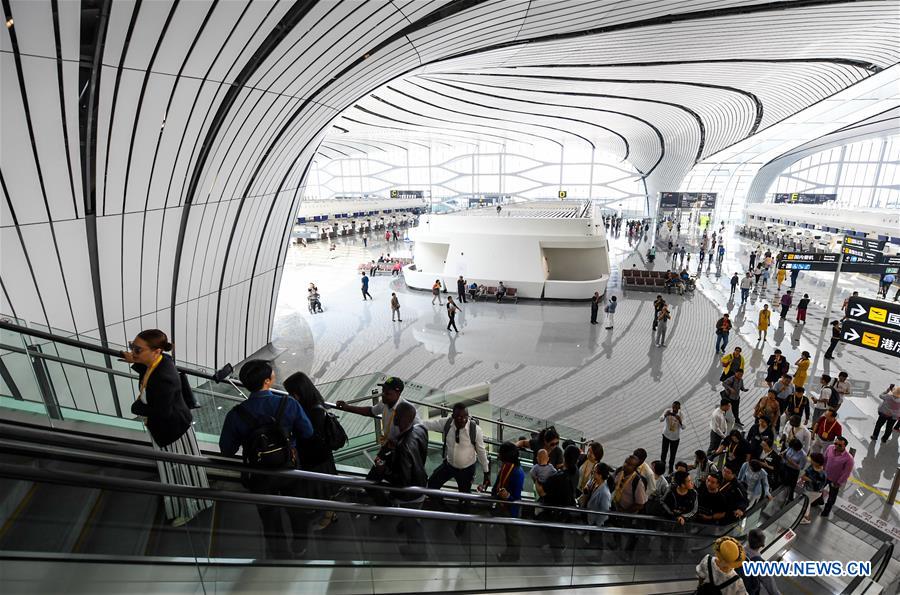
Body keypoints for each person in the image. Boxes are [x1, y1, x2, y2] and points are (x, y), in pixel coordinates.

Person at [219, 360, 314, 558]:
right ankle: (300, 545)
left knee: (269, 515)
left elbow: (227, 450)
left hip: (259, 473)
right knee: (297, 509)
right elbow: (307, 432)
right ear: (267, 381)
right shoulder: (288, 403)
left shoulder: (236, 414)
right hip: (290, 467)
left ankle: (278, 554)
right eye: (272, 374)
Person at [123, 329, 209, 527]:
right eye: (131, 346)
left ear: (156, 351)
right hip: (175, 426)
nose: (133, 352)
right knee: (186, 468)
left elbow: (160, 411)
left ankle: (189, 508)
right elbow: (149, 370)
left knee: (178, 471)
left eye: (137, 349)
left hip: (172, 431)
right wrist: (135, 360)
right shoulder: (163, 360)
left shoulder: (164, 378)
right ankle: (199, 500)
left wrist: (136, 408)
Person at [368, 401, 428, 558]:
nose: (394, 419)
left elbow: (401, 482)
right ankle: (406, 525)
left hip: (410, 495)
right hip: (421, 482)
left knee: (413, 524)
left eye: (397, 416)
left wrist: (384, 469)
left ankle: (418, 552)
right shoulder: (421, 430)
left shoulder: (403, 447)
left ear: (404, 419)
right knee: (413, 518)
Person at [283, 371, 342, 531]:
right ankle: (327, 512)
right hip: (321, 457)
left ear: (298, 393)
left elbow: (308, 437)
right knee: (323, 487)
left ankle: (329, 515)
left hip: (316, 459)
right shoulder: (315, 403)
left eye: (291, 393)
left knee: (322, 489)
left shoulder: (313, 412)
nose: (290, 396)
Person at [422, 403, 490, 505]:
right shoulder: (446, 424)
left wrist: (486, 473)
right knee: (431, 486)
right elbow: (429, 424)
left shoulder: (475, 430)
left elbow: (481, 452)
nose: (462, 419)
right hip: (449, 466)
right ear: (453, 416)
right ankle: (444, 509)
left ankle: (462, 519)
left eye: (464, 417)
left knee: (464, 497)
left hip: (466, 470)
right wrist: (411, 420)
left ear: (468, 416)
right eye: (458, 417)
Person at [335, 377, 418, 445]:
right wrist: (347, 407)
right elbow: (370, 411)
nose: (383, 395)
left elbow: (419, 432)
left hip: (402, 450)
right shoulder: (384, 403)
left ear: (398, 393)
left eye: (387, 393)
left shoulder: (408, 410)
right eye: (383, 391)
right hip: (388, 446)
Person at [493, 441, 526, 562]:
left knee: (512, 534)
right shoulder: (506, 466)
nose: (498, 454)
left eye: (500, 453)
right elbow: (498, 481)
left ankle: (513, 556)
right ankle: (510, 553)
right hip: (504, 506)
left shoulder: (517, 473)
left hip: (512, 510)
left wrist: (507, 496)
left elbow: (516, 499)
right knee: (508, 533)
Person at [817, 436, 854, 518]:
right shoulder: (830, 448)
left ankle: (826, 510)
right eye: (835, 443)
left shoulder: (849, 459)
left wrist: (838, 483)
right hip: (825, 475)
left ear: (845, 446)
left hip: (835, 481)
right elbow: (825, 459)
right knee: (818, 489)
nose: (836, 446)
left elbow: (846, 473)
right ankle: (818, 500)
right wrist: (821, 469)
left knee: (831, 497)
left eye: (840, 445)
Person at [739, 529, 782, 594]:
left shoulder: (737, 550)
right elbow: (771, 587)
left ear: (748, 538)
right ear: (762, 545)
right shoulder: (760, 564)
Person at [798, 453, 827, 524]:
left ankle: (806, 518)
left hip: (814, 492)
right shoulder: (812, 467)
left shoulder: (822, 474)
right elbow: (803, 475)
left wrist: (809, 479)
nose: (811, 461)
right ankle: (805, 517)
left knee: (807, 503)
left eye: (812, 460)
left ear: (817, 462)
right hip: (810, 489)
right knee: (807, 503)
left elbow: (818, 485)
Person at [660, 401, 684, 474]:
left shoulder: (681, 415)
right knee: (664, 452)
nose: (674, 409)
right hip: (666, 435)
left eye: (676, 408)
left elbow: (684, 427)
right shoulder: (668, 411)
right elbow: (661, 419)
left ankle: (670, 468)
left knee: (673, 454)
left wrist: (680, 420)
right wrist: (664, 415)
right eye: (673, 407)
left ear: (679, 408)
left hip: (675, 438)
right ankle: (662, 466)